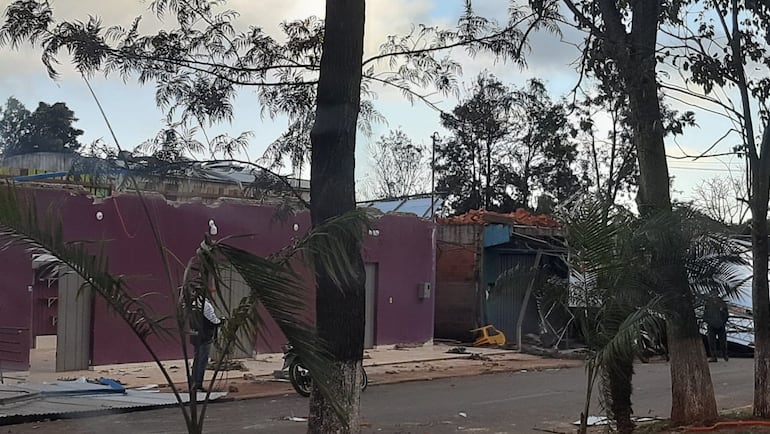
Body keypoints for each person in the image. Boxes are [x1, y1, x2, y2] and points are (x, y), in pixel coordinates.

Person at [190, 294, 221, 392]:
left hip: (195, 335)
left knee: (197, 359)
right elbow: (212, 320)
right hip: (205, 336)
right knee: (202, 361)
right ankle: (198, 384)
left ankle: (193, 382)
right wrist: (220, 322)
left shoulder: (193, 304)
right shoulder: (206, 305)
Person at [704, 295, 729, 362]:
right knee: (711, 342)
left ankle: (725, 355)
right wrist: (709, 322)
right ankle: (713, 356)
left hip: (720, 325)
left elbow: (726, 315)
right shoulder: (708, 303)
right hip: (711, 325)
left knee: (723, 342)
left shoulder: (722, 303)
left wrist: (722, 322)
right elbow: (705, 314)